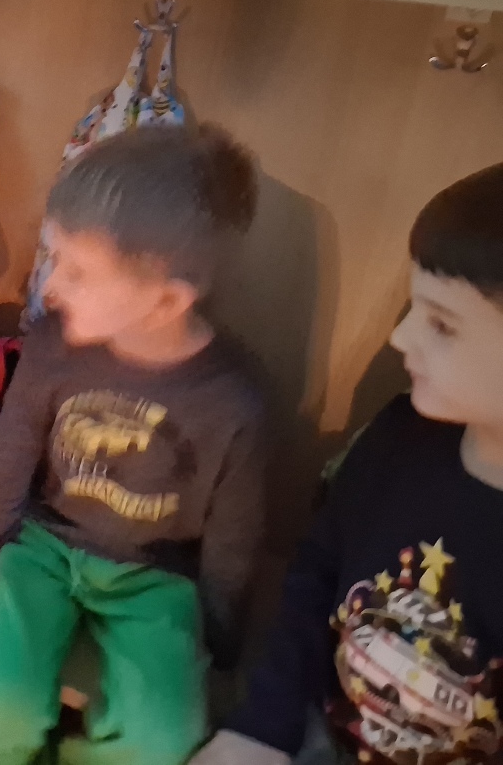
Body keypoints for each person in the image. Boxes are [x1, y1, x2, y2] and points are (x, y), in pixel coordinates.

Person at [0, 125, 270, 765]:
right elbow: (10, 461)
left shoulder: (232, 402)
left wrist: (219, 648)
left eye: (78, 271)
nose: (50, 286)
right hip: (44, 551)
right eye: (55, 258)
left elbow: (235, 536)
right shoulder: (53, 345)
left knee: (158, 739)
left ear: (165, 300)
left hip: (156, 578)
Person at [192, 163, 503, 765]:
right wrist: (262, 728)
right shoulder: (397, 438)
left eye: (442, 324)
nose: (401, 338)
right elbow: (317, 577)